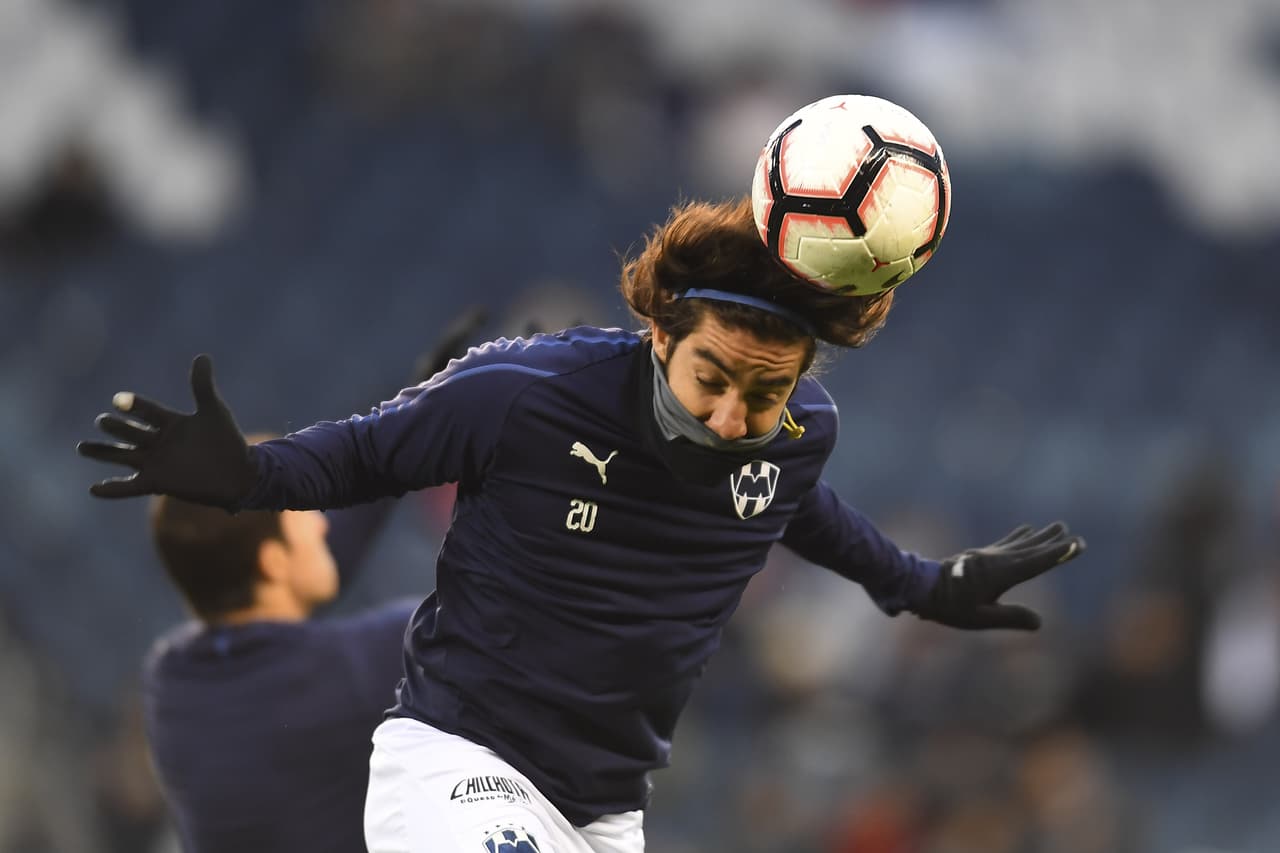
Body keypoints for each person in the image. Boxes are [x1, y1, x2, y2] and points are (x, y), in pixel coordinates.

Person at [79, 198, 1085, 853]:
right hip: (461, 767)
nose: (733, 417)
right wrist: (249, 476)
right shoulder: (520, 390)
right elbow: (360, 455)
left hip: (603, 809)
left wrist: (919, 584)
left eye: (765, 393)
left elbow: (795, 509)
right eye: (711, 380)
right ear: (659, 335)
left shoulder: (793, 437)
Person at [126, 309, 487, 853]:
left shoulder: (172, 683)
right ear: (273, 563)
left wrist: (412, 419)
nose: (322, 520)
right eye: (303, 513)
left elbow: (313, 560)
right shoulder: (359, 671)